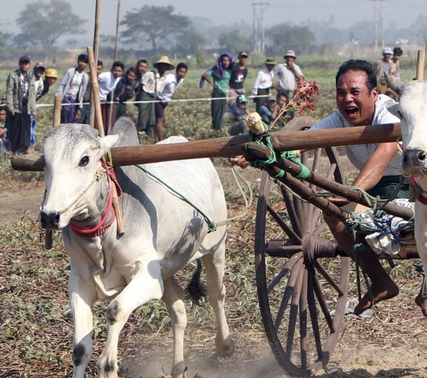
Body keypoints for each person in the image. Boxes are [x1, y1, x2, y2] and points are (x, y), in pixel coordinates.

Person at [231, 59, 411, 316]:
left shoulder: (391, 115)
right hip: (372, 190)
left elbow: (381, 159)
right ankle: (381, 280)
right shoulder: (339, 119)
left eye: (354, 92)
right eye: (341, 92)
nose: (347, 99)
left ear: (374, 94)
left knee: (342, 206)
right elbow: (300, 142)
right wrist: (257, 153)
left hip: (408, 188)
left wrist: (351, 193)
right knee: (333, 212)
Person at [4, 55, 37, 153]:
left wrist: (33, 109)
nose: (24, 65)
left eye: (26, 63)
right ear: (19, 64)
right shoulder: (13, 75)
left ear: (29, 65)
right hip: (16, 106)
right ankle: (13, 150)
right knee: (15, 129)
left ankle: (24, 148)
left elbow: (32, 94)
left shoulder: (31, 76)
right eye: (23, 63)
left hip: (26, 107)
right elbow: (9, 91)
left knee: (26, 129)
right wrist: (10, 106)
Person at [154, 59, 187, 142]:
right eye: (180, 72)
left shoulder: (181, 80)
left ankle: (156, 138)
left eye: (184, 72)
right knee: (160, 120)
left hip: (165, 101)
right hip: (159, 100)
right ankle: (160, 141)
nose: (182, 74)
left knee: (162, 120)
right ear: (177, 71)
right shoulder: (169, 78)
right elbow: (158, 87)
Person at [201, 53, 233, 130]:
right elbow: (205, 75)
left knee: (223, 112)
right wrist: (213, 84)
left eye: (227, 60)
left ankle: (220, 128)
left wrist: (229, 92)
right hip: (217, 92)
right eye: (224, 60)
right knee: (215, 112)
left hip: (225, 93)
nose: (226, 62)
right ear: (221, 61)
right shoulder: (216, 69)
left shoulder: (229, 71)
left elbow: (228, 82)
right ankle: (215, 128)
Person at [55, 53, 89, 124]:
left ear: (87, 64)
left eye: (84, 62)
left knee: (71, 121)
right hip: (66, 99)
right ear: (78, 62)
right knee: (63, 119)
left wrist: (79, 107)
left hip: (74, 101)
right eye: (81, 61)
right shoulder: (70, 71)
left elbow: (82, 93)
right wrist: (59, 100)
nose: (82, 64)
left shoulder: (85, 77)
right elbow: (62, 85)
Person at [98, 61, 125, 130]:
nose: (117, 73)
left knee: (110, 121)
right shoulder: (105, 76)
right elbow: (96, 80)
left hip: (110, 102)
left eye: (119, 71)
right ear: (112, 70)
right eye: (115, 70)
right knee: (100, 121)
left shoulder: (120, 80)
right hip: (100, 100)